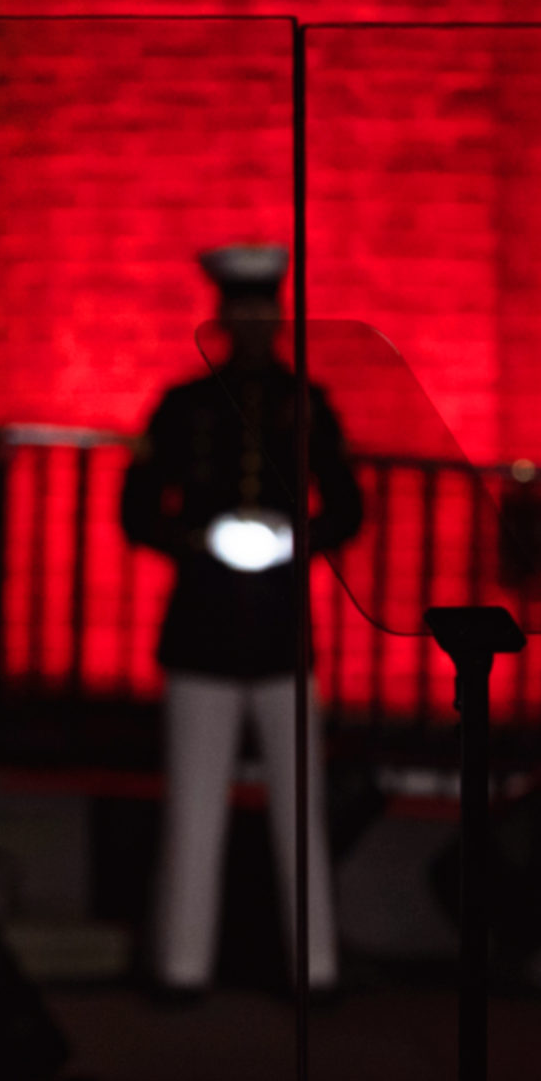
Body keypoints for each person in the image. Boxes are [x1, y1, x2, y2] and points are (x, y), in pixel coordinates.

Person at [120, 243, 364, 1000]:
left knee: (301, 809)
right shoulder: (184, 406)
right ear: (224, 314)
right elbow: (137, 509)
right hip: (202, 626)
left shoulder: (309, 405)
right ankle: (182, 966)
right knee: (194, 807)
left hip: (281, 631)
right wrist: (201, 539)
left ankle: (314, 967)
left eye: (266, 305)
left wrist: (298, 539)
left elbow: (348, 505)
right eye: (243, 305)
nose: (255, 319)